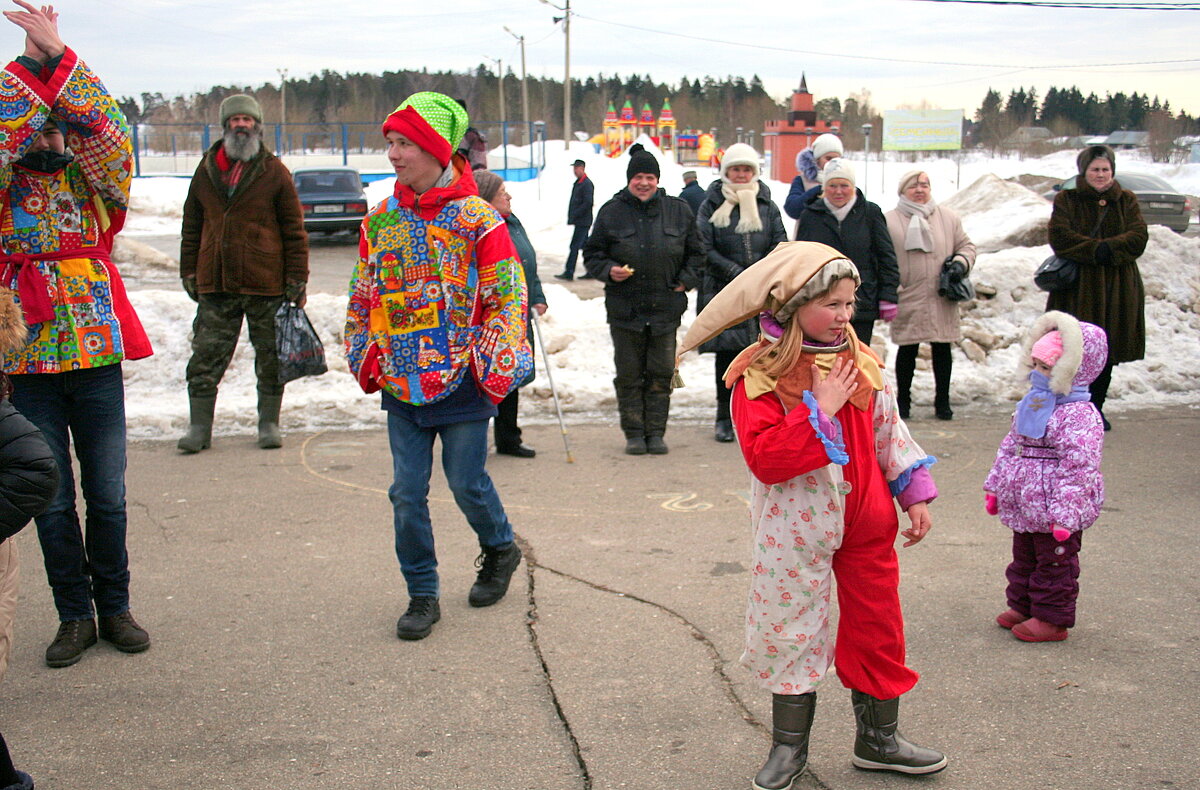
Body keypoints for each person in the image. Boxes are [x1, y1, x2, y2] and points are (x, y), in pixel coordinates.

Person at [677, 241, 946, 787]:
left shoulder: (862, 361)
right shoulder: (759, 375)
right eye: (834, 305)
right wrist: (818, 409)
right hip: (793, 532)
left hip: (867, 523)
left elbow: (888, 432)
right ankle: (788, 748)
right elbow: (767, 460)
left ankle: (878, 739)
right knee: (790, 628)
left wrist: (913, 491)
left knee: (878, 627)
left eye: (851, 303)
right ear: (794, 306)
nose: (846, 316)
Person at [344, 92, 532, 641]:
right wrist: (365, 350)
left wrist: (486, 362)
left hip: (463, 380)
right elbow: (362, 293)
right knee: (406, 492)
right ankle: (421, 593)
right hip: (401, 379)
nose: (394, 155)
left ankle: (499, 549)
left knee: (466, 482)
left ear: (433, 147)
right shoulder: (380, 219)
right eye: (391, 144)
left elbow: (508, 297)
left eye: (404, 143)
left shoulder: (477, 219)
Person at [1, 1, 155, 669]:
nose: (52, 140)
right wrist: (25, 72)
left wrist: (58, 59)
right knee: (53, 497)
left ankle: (115, 605)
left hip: (94, 358)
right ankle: (74, 615)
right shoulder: (5, 191)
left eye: (61, 130)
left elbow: (112, 135)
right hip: (28, 362)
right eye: (40, 130)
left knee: (109, 491)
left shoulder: (96, 185)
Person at [178, 93, 310, 452]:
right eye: (234, 120)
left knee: (269, 357)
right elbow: (192, 225)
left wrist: (297, 280)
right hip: (216, 283)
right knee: (205, 356)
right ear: (224, 127)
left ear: (258, 127)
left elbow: (294, 231)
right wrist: (188, 270)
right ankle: (199, 429)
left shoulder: (274, 171)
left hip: (266, 283)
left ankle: (269, 423)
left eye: (246, 120)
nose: (241, 125)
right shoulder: (205, 171)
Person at [984, 311, 1106, 643]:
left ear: (1074, 369)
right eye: (1036, 365)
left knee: (1055, 564)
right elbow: (1011, 446)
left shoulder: (1078, 414)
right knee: (1024, 558)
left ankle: (1052, 618)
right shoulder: (1034, 403)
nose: (1039, 374)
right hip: (1027, 502)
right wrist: (996, 486)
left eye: (1048, 368)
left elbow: (1080, 466)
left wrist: (1066, 514)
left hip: (1056, 509)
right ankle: (1024, 605)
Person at [583, 143, 702, 455]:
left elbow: (697, 254)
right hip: (626, 311)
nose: (644, 183)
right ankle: (635, 433)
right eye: (638, 177)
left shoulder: (679, 211)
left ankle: (656, 433)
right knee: (629, 375)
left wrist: (686, 280)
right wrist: (609, 270)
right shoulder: (611, 211)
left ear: (658, 180)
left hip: (666, 310)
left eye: (650, 176)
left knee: (662, 374)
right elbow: (592, 254)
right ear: (629, 180)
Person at [1045, 145, 1147, 431]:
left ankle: (1096, 408)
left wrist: (1108, 250)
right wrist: (1094, 250)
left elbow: (1138, 236)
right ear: (1084, 171)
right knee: (1075, 348)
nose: (1101, 175)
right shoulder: (1067, 199)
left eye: (1105, 169)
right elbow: (1060, 236)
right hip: (1078, 287)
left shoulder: (1126, 200)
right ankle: (1069, 408)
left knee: (1107, 350)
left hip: (1119, 287)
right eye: (1095, 169)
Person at [695, 143, 787, 443]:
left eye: (747, 169)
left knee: (765, 357)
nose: (741, 174)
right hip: (724, 292)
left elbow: (780, 244)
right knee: (728, 358)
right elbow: (703, 247)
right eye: (736, 169)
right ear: (726, 172)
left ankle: (761, 418)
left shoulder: (767, 206)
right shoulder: (711, 205)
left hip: (764, 294)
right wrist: (736, 273)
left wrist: (763, 274)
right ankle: (724, 416)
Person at [884, 171, 977, 421]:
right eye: (913, 186)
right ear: (903, 190)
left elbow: (966, 246)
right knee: (907, 350)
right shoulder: (889, 220)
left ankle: (943, 403)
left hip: (940, 295)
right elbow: (882, 255)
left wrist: (960, 263)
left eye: (924, 185)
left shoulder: (949, 218)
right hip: (909, 293)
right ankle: (903, 403)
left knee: (942, 348)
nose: (920, 190)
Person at [475, 171, 547, 458]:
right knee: (484, 378)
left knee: (510, 375)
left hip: (516, 317)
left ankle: (508, 437)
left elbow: (527, 264)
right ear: (485, 199)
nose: (509, 196)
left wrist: (537, 296)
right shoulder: (480, 229)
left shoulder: (512, 223)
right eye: (501, 191)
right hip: (489, 319)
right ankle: (473, 442)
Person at [794, 159, 898, 344]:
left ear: (853, 186)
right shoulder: (810, 215)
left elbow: (886, 257)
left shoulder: (870, 213)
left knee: (857, 357)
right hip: (822, 303)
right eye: (832, 185)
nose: (838, 191)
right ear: (824, 187)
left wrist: (888, 295)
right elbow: (800, 260)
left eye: (844, 185)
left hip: (862, 300)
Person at [783, 133, 843, 226]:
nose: (832, 162)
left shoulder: (845, 182)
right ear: (817, 159)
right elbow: (792, 209)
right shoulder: (802, 181)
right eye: (828, 158)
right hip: (808, 237)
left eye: (836, 159)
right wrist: (819, 190)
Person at [555, 159, 593, 281]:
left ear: (582, 168)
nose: (575, 171)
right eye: (574, 168)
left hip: (583, 221)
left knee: (574, 246)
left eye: (577, 168)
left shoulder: (586, 184)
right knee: (585, 246)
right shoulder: (578, 183)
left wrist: (576, 214)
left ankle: (569, 272)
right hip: (580, 221)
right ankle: (591, 270)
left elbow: (588, 203)